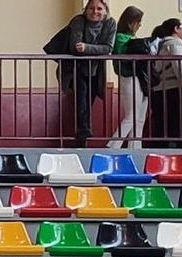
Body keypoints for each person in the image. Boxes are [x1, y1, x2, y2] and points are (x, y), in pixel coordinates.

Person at [62, 0, 118, 149]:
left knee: (89, 102)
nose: (95, 11)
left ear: (105, 11)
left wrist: (86, 47)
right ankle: (82, 136)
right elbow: (75, 46)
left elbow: (107, 48)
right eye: (92, 8)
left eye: (99, 8)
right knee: (81, 102)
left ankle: (82, 136)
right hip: (77, 68)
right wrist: (93, 49)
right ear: (86, 10)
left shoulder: (110, 23)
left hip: (96, 70)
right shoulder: (78, 21)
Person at [108, 6, 151, 149]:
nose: (140, 25)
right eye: (138, 21)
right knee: (131, 116)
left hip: (139, 79)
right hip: (129, 77)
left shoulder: (131, 39)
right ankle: (112, 146)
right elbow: (125, 54)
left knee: (139, 118)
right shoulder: (120, 38)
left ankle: (135, 148)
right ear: (130, 22)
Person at [148, 18, 182, 148]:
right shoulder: (175, 44)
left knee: (161, 123)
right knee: (178, 122)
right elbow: (179, 67)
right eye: (181, 28)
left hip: (158, 88)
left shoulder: (159, 44)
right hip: (172, 88)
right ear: (176, 29)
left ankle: (160, 151)